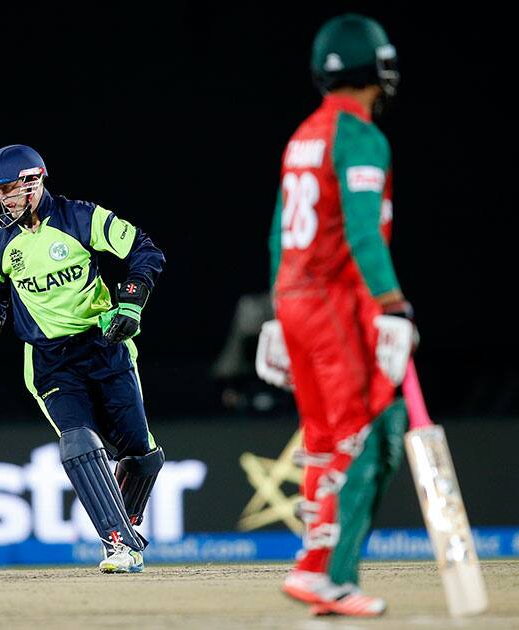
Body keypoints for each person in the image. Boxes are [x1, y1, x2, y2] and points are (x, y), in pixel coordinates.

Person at [259, 14, 417, 617]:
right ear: (373, 68)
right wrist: (393, 304)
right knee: (370, 434)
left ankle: (315, 568)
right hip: (331, 302)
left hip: (297, 300)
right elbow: (360, 232)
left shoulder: (303, 133)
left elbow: (279, 229)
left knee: (326, 438)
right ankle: (328, 573)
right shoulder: (358, 135)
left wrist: (276, 312)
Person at [0, 145, 166, 573]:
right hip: (49, 360)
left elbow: (145, 250)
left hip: (104, 345)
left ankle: (125, 526)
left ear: (33, 182)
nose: (1, 201)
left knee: (143, 457)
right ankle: (118, 545)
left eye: (6, 191)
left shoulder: (81, 217)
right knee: (78, 441)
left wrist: (131, 303)